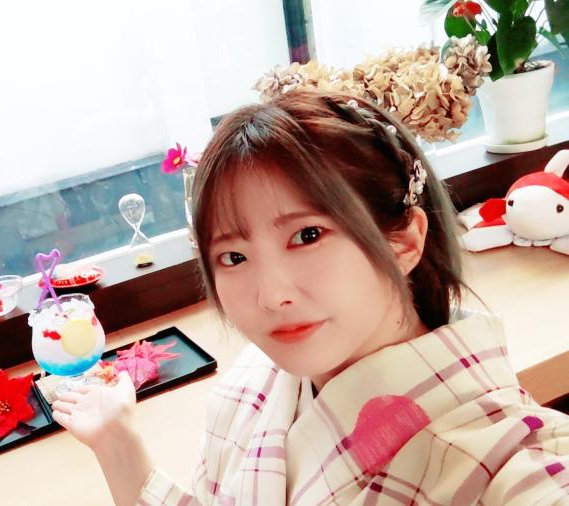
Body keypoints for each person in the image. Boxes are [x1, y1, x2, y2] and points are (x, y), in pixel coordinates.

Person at [51, 90, 569, 505]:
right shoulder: (255, 383)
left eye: (308, 235)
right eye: (234, 256)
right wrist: (116, 444)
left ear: (405, 241)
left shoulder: (507, 460)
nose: (272, 295)